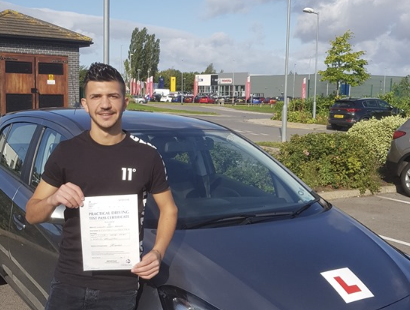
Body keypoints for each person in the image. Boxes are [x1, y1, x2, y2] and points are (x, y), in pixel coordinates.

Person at [26, 62, 178, 310]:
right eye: (96, 96)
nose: (105, 104)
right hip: (69, 281)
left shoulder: (146, 156)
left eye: (113, 96)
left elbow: (169, 209)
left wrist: (158, 252)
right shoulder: (66, 153)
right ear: (85, 104)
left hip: (120, 288)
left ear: (125, 102)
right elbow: (32, 213)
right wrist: (53, 199)